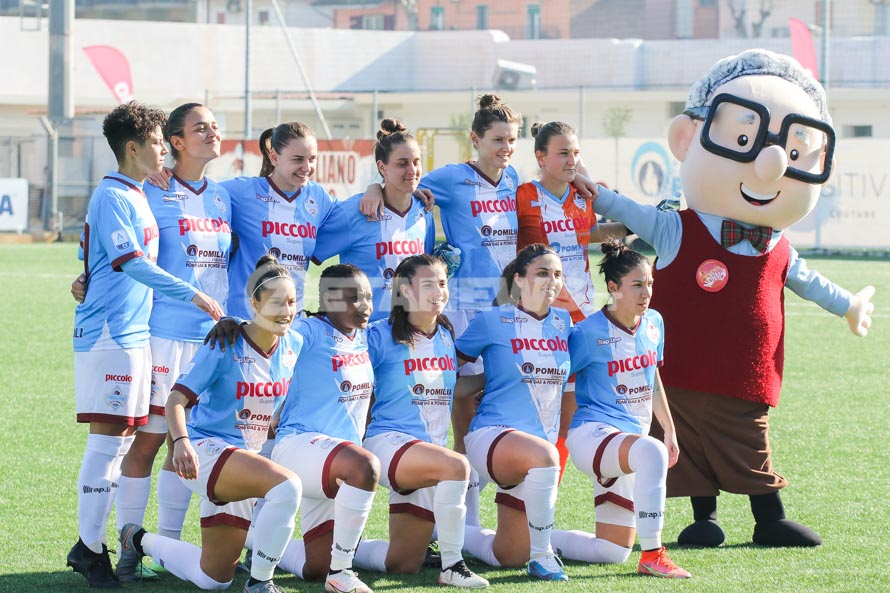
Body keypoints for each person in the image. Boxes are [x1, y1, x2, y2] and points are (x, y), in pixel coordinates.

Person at [592, 48, 875, 547]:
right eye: (744, 140)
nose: (768, 163)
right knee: (686, 444)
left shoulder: (778, 247)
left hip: (745, 373)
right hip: (677, 371)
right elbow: (630, 212)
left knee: (748, 442)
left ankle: (769, 518)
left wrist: (849, 305)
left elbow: (811, 284)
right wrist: (590, 189)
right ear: (688, 138)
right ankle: (705, 519)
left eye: (789, 153)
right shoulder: (677, 227)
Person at [67, 101, 224, 589]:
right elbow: (131, 262)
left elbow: (90, 250)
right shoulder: (113, 195)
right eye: (157, 141)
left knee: (120, 443)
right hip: (110, 335)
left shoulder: (135, 194)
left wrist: (85, 272)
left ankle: (97, 547)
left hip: (133, 336)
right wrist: (192, 292)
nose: (162, 148)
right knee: (108, 444)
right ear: (133, 148)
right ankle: (90, 549)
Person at [114, 256, 303, 593]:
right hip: (206, 452)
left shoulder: (295, 343)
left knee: (213, 580)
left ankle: (137, 539)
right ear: (254, 303)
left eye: (291, 301)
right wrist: (182, 441)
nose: (286, 310)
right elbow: (175, 400)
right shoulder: (224, 343)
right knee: (287, 486)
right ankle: (261, 582)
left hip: (244, 461)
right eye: (276, 302)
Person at [115, 103, 233, 578]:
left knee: (192, 444)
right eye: (199, 127)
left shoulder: (225, 196)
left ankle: (163, 547)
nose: (212, 132)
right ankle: (127, 544)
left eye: (215, 126)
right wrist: (83, 280)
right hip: (166, 336)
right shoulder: (150, 191)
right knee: (149, 441)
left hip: (214, 342)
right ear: (176, 141)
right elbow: (120, 249)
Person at [550, 240, 691, 578]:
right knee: (651, 452)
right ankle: (654, 554)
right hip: (592, 436)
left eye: (650, 283)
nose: (647, 292)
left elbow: (653, 378)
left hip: (629, 442)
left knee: (612, 551)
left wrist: (669, 429)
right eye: (638, 285)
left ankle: (530, 539)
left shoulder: (654, 322)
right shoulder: (585, 333)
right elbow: (554, 380)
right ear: (613, 288)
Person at [351, 254, 489, 588]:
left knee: (403, 563)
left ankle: (343, 551)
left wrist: (495, 377)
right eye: (428, 284)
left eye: (442, 283)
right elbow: (351, 383)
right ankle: (454, 564)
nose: (438, 291)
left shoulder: (444, 335)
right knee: (458, 466)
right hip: (388, 444)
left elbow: (456, 388)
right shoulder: (377, 336)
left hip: (428, 455)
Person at [453, 244, 572, 581]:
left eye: (558, 275)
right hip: (492, 435)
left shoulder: (565, 323)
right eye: (543, 273)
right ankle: (544, 555)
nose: (552, 281)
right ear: (518, 279)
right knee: (547, 456)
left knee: (508, 555)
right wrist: (482, 381)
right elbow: (448, 369)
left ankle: (450, 533)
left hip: (536, 451)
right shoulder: (492, 320)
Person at [516, 120, 627, 481]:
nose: (572, 160)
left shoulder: (583, 197)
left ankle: (548, 487)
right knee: (534, 407)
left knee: (570, 407)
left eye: (576, 153)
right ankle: (514, 487)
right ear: (540, 157)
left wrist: (633, 225)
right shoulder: (522, 197)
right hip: (537, 318)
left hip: (580, 319)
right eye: (563, 153)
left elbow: (588, 235)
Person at [270, 265, 380, 593]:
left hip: (335, 462)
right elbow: (267, 333)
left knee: (315, 566)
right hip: (301, 447)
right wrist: (234, 326)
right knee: (365, 465)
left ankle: (250, 538)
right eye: (355, 298)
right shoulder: (308, 329)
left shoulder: (363, 335)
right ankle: (343, 573)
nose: (365, 305)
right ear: (329, 299)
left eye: (369, 298)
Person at [313, 119, 435, 322]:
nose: (412, 170)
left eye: (416, 161)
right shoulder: (356, 211)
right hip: (364, 334)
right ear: (382, 167)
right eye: (402, 163)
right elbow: (309, 254)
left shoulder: (425, 209)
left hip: (410, 333)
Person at [221, 121, 339, 319]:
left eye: (312, 159)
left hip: (292, 322)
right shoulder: (243, 192)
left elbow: (356, 212)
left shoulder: (319, 197)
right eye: (298, 159)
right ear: (274, 157)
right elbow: (198, 189)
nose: (307, 167)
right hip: (246, 322)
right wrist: (165, 175)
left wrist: (376, 190)